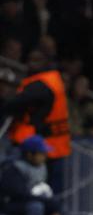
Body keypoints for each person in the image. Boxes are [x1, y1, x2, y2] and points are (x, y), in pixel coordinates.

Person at [2, 56, 71, 196]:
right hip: (54, 144)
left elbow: (17, 103)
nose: (30, 65)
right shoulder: (54, 79)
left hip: (40, 146)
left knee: (35, 190)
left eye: (35, 61)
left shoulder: (41, 83)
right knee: (48, 192)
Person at [0, 135, 63, 215]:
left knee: (60, 211)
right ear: (29, 154)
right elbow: (18, 194)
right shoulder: (14, 168)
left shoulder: (42, 167)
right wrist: (47, 202)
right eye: (41, 153)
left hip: (34, 202)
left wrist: (53, 206)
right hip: (12, 205)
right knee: (36, 208)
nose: (44, 157)